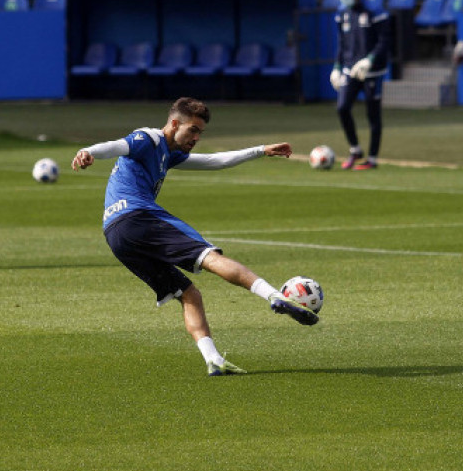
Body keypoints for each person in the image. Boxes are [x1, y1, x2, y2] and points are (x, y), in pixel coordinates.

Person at [72, 97, 318, 377]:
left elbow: (213, 161)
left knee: (189, 294)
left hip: (116, 234)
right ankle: (275, 297)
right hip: (139, 216)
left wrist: (261, 150)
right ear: (174, 123)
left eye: (200, 133)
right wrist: (87, 151)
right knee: (210, 258)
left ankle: (213, 360)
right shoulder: (149, 139)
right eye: (192, 130)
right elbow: (117, 146)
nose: (196, 138)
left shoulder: (167, 152)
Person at [329, 0, 390, 170]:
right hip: (349, 69)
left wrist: (369, 60)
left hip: (371, 71)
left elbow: (384, 41)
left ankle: (372, 159)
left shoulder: (374, 10)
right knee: (342, 108)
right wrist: (337, 67)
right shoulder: (342, 13)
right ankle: (355, 149)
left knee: (373, 115)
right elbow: (341, 43)